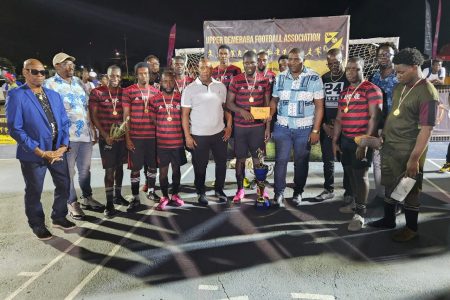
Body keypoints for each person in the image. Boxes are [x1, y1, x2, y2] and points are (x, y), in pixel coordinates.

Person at [368, 48, 439, 242]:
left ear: (415, 67)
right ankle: (389, 220)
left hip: (410, 150)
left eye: (401, 72)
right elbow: (395, 115)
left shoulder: (428, 94)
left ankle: (411, 228)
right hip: (391, 147)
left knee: (410, 190)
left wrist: (414, 159)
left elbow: (427, 130)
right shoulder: (401, 86)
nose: (397, 75)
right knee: (391, 186)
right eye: (396, 71)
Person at [6, 58, 76, 240]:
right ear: (24, 72)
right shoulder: (17, 96)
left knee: (64, 184)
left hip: (57, 151)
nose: (39, 75)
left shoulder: (53, 95)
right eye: (34, 71)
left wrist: (63, 146)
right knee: (34, 191)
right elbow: (15, 129)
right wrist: (40, 151)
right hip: (34, 154)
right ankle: (37, 224)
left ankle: (59, 217)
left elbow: (64, 122)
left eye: (42, 72)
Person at [44, 52, 103, 220]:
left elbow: (85, 108)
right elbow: (47, 113)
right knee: (68, 172)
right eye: (66, 64)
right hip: (66, 138)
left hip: (84, 135)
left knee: (85, 170)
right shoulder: (50, 85)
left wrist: (92, 130)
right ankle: (72, 202)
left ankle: (87, 197)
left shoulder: (78, 82)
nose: (71, 67)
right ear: (57, 66)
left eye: (72, 64)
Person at [269, 48, 324, 207]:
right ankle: (278, 193)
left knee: (301, 162)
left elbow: (320, 106)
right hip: (283, 127)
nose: (292, 62)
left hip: (304, 129)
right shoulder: (279, 78)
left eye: (296, 59)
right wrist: (270, 111)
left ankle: (298, 191)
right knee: (281, 160)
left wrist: (315, 130)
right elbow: (274, 100)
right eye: (290, 59)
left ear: (303, 60)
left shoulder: (314, 78)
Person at [332, 57, 383, 232]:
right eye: (348, 69)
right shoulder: (344, 91)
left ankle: (360, 214)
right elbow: (339, 119)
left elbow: (375, 118)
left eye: (355, 69)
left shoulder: (372, 90)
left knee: (361, 176)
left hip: (362, 140)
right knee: (350, 173)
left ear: (363, 70)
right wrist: (335, 141)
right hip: (345, 140)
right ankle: (355, 203)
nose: (351, 72)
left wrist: (365, 142)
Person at [182, 58, 231, 205]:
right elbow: (184, 115)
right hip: (198, 135)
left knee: (222, 163)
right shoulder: (189, 89)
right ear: (198, 69)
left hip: (219, 133)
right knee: (200, 165)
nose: (204, 70)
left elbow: (226, 109)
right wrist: (187, 136)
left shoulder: (221, 86)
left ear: (212, 70)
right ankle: (200, 192)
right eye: (202, 68)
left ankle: (219, 190)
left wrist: (229, 126)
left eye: (207, 68)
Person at [226, 51, 271, 203]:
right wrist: (241, 111)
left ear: (257, 62)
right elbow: (229, 103)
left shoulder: (264, 80)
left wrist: (267, 127)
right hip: (241, 129)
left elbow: (266, 107)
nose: (250, 65)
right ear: (243, 64)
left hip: (257, 129)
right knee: (240, 159)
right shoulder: (236, 80)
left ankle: (261, 190)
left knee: (258, 159)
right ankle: (240, 190)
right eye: (246, 63)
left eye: (252, 62)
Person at [90, 65, 129, 218]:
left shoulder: (124, 93)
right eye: (112, 76)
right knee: (110, 170)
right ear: (107, 76)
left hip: (121, 139)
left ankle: (118, 195)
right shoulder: (97, 92)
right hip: (106, 138)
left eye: (118, 76)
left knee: (120, 168)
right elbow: (94, 116)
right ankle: (109, 203)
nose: (115, 79)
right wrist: (105, 134)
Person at [315, 48, 352, 202]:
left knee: (346, 161)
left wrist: (341, 126)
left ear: (343, 60)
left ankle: (349, 191)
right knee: (328, 160)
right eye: (330, 63)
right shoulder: (323, 78)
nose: (334, 66)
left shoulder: (349, 78)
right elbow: (319, 104)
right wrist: (323, 125)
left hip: (346, 128)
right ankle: (328, 189)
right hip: (327, 127)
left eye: (336, 62)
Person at [123, 62, 160, 211]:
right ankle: (135, 197)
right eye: (141, 73)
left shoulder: (156, 91)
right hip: (136, 137)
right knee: (136, 168)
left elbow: (159, 114)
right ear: (136, 75)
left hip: (152, 137)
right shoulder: (129, 91)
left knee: (152, 166)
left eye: (146, 73)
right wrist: (127, 138)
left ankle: (151, 191)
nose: (144, 76)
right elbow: (126, 115)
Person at [151, 70, 186, 210]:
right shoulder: (154, 99)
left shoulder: (180, 98)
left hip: (177, 142)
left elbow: (184, 118)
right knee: (164, 172)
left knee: (176, 171)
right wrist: (163, 129)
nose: (168, 83)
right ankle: (164, 196)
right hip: (162, 144)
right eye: (165, 81)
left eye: (171, 81)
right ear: (161, 83)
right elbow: (153, 120)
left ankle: (175, 194)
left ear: (175, 82)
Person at [369, 42, 399, 202]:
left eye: (387, 54)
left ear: (394, 56)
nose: (383, 57)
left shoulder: (400, 76)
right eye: (380, 54)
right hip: (378, 127)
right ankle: (381, 196)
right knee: (378, 163)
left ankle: (396, 200)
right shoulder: (374, 76)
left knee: (394, 166)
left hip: (396, 128)